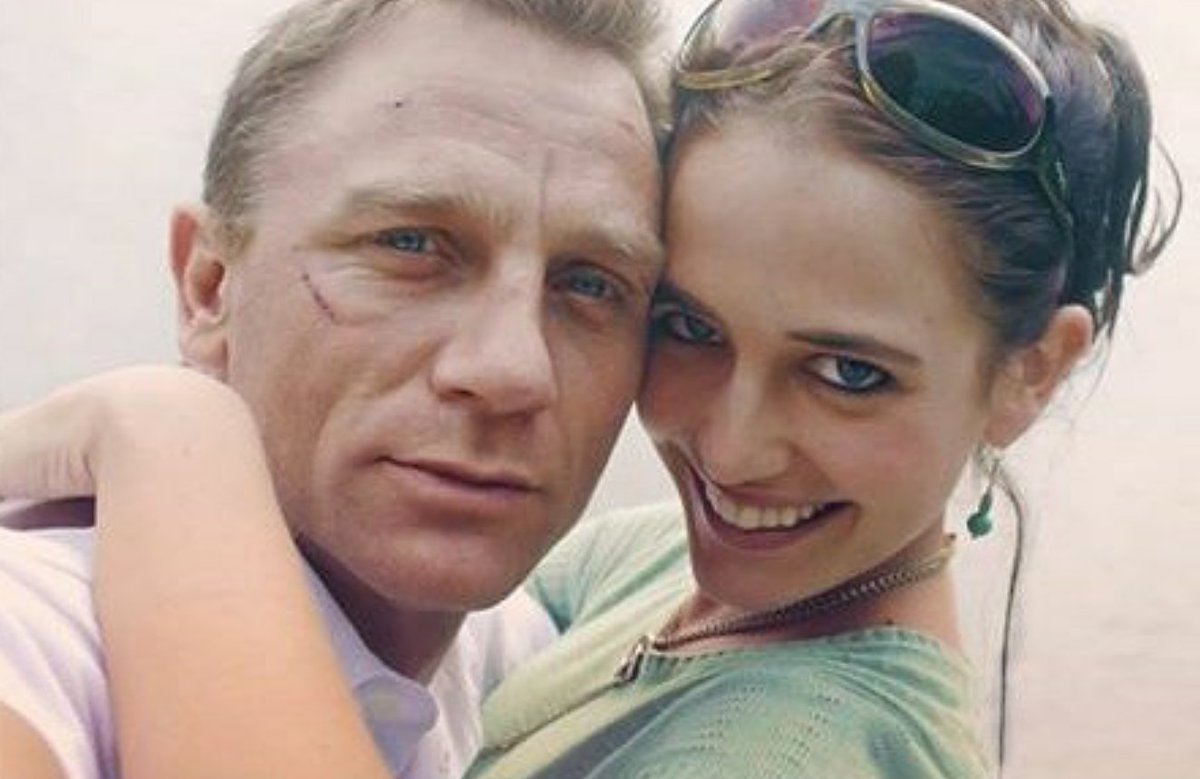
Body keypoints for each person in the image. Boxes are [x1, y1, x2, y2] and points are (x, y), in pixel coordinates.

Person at [0, 0, 1179, 778]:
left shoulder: (788, 748)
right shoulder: (642, 577)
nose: (732, 446)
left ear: (1032, 369)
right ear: (208, 282)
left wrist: (167, 433)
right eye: (689, 325)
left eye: (850, 371)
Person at [0, 0, 667, 777]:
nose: (511, 371)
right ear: (209, 288)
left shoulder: (536, 660)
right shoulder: (38, 638)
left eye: (591, 284)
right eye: (410, 244)